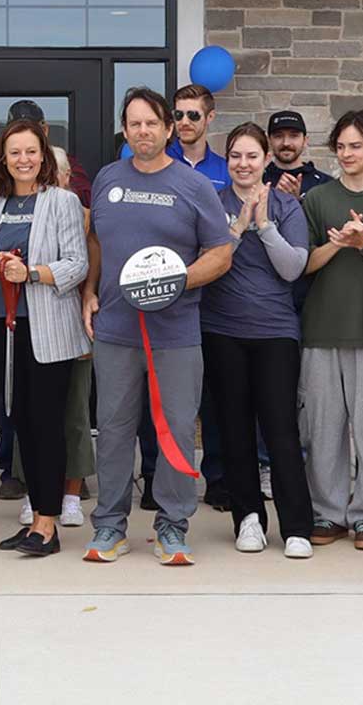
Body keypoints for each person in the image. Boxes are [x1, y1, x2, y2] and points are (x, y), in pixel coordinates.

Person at [83, 87, 233, 566]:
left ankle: (172, 526)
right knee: (113, 429)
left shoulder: (194, 186)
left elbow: (221, 252)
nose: (143, 131)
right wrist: (89, 290)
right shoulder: (108, 179)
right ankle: (110, 525)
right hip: (115, 329)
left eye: (152, 123)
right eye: (134, 123)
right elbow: (96, 240)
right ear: (124, 131)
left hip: (175, 331)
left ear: (169, 129)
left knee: (176, 429)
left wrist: (177, 281)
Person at [0, 99, 93, 510]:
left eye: (31, 152)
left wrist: (33, 273)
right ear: (2, 159)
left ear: (44, 156)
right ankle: (39, 508)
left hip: (49, 330)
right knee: (20, 420)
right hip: (5, 327)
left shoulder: (63, 202)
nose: (24, 160)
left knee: (48, 423)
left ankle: (47, 519)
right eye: (15, 152)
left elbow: (77, 264)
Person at [202, 123, 315, 558]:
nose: (243, 164)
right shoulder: (213, 203)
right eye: (235, 156)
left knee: (281, 429)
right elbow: (207, 262)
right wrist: (237, 227)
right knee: (234, 430)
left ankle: (297, 526)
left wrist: (264, 225)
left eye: (252, 156)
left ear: (267, 159)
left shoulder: (287, 206)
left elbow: (293, 268)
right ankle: (248, 518)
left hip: (275, 332)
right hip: (222, 329)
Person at [297, 109, 363, 552]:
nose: (346, 154)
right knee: (322, 429)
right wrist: (337, 243)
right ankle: (327, 512)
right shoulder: (317, 198)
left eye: (356, 145)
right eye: (340, 146)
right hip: (321, 329)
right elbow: (303, 264)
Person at [116, 83, 229, 191]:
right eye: (178, 115)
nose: (184, 122)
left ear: (210, 116)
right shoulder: (157, 160)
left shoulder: (224, 170)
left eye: (193, 115)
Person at [261, 109, 332, 196]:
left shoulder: (325, 184)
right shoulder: (258, 180)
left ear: (305, 140)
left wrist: (296, 200)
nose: (286, 143)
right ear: (269, 141)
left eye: (293, 136)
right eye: (278, 136)